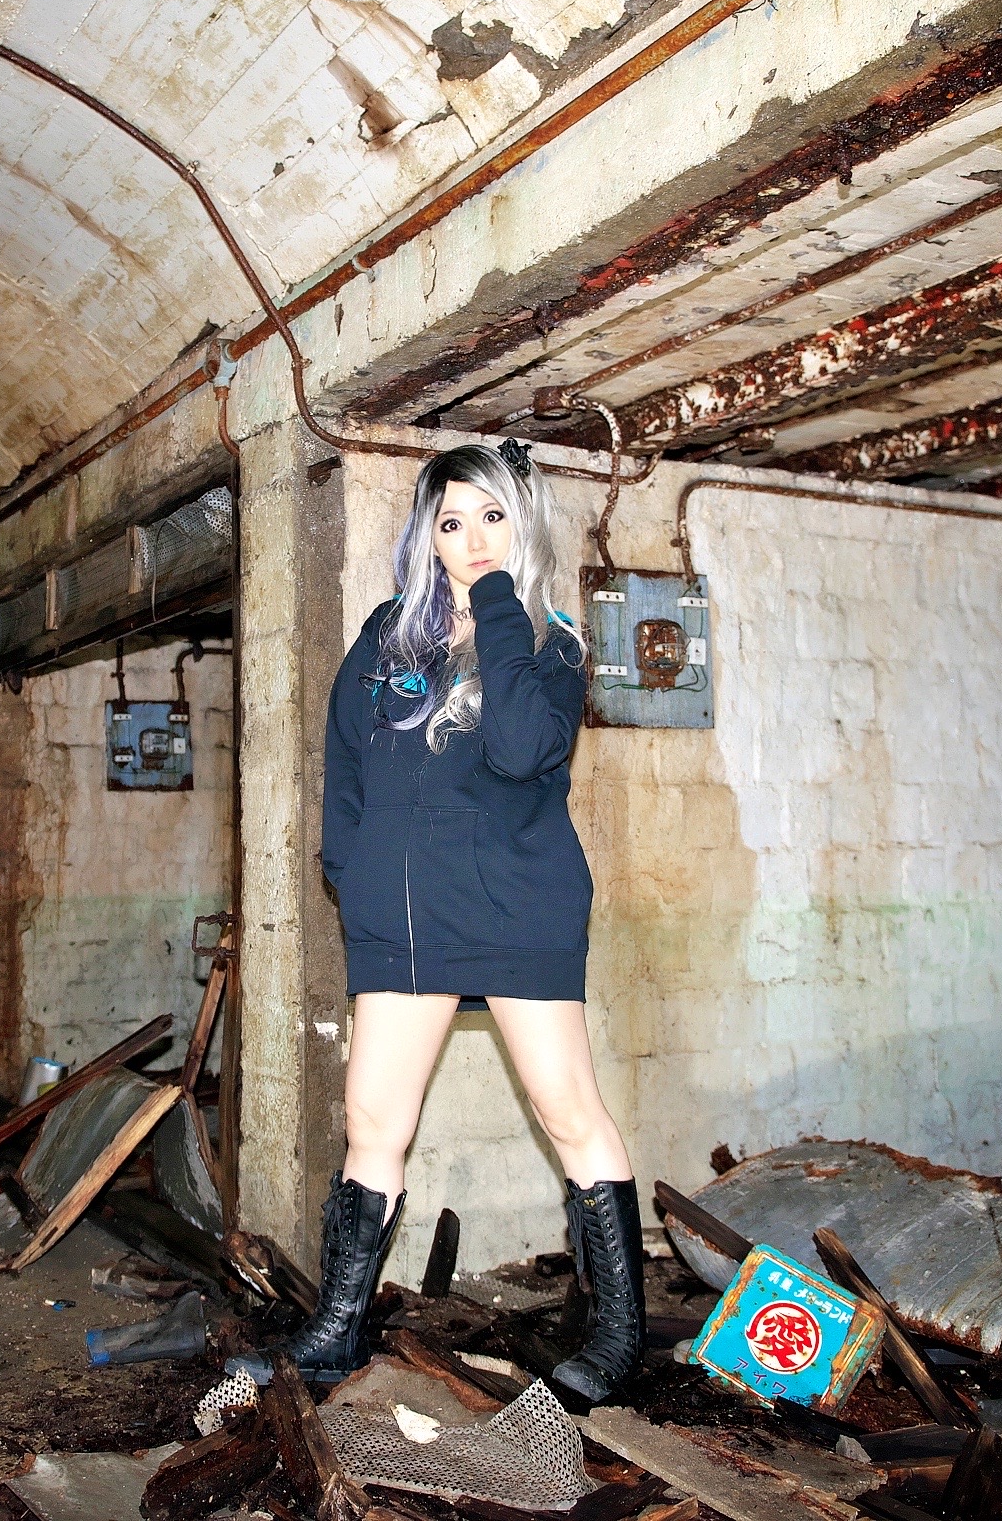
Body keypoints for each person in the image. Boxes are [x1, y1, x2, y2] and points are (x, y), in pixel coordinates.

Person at [289, 437, 642, 1403]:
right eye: (454, 522)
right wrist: (351, 871)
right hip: (404, 911)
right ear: (428, 537)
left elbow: (525, 748)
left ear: (520, 527)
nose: (475, 537)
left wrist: (496, 603)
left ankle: (617, 1335)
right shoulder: (386, 638)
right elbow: (345, 760)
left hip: (517, 900)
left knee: (568, 1110)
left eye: (493, 517)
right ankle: (336, 1328)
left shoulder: (551, 642)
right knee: (373, 1118)